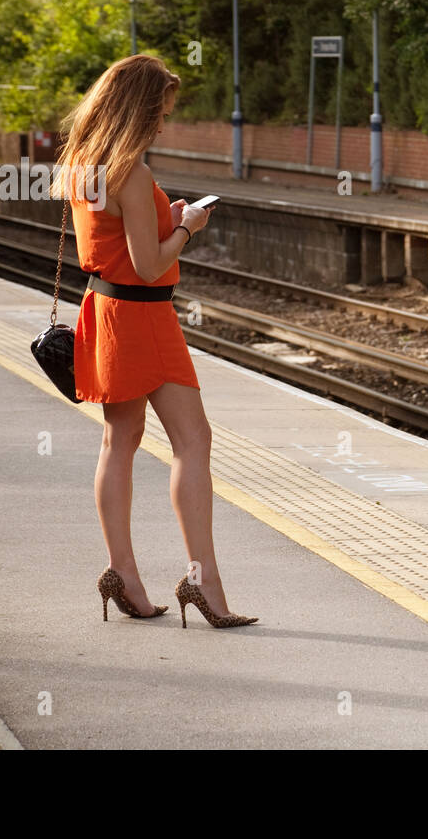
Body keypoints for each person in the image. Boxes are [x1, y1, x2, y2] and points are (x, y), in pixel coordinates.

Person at [52, 54, 256, 629]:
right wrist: (188, 225)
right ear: (137, 111)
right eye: (159, 113)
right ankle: (204, 582)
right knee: (193, 442)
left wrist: (163, 215)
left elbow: (116, 242)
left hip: (104, 310)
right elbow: (148, 264)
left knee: (120, 441)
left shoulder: (83, 169)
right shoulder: (132, 175)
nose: (163, 124)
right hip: (143, 318)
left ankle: (123, 574)